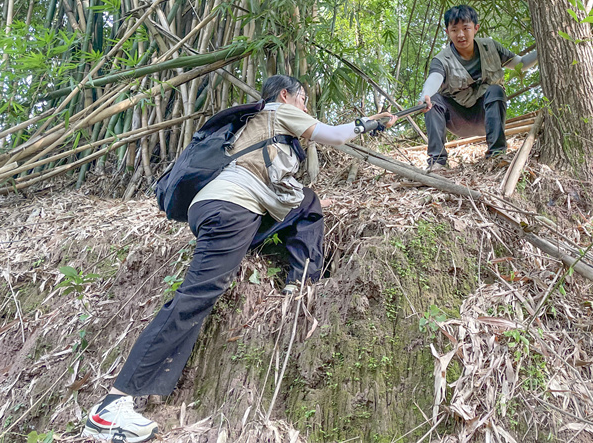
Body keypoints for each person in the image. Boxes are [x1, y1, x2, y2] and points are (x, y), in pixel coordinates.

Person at [82, 75, 396, 442]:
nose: (306, 107)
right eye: (304, 99)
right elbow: (335, 135)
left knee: (308, 203)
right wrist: (370, 123)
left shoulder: (257, 127)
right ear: (285, 95)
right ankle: (113, 404)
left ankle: (301, 283)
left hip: (222, 207)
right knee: (195, 297)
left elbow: (288, 192)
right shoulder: (278, 111)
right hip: (232, 209)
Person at [419, 5, 537, 172]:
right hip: (457, 118)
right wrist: (426, 95)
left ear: (475, 28)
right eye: (454, 30)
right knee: (434, 100)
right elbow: (434, 78)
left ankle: (496, 154)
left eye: (466, 28)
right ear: (447, 32)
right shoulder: (441, 59)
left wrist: (544, 49)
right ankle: (437, 161)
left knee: (496, 90)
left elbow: (522, 64)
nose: (460, 35)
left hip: (486, 114)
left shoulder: (491, 47)